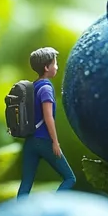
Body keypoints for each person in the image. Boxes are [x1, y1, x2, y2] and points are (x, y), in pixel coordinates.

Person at [17, 47, 77, 197]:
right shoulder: (46, 88)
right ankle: (52, 207)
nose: (57, 67)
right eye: (55, 63)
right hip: (43, 140)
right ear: (46, 67)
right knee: (70, 178)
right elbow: (48, 116)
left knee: (26, 184)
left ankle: (21, 214)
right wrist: (55, 142)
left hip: (30, 141)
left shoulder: (33, 86)